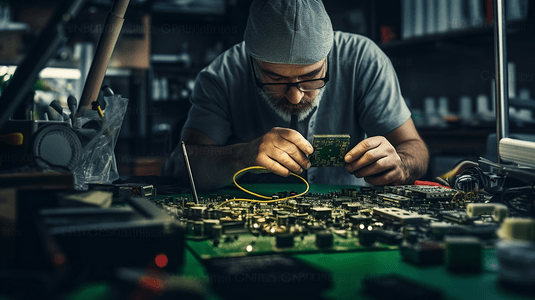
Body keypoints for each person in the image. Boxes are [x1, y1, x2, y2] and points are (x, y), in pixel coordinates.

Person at [163, 0, 429, 191]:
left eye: (312, 77)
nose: (294, 97)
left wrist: (402, 166)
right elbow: (181, 164)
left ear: (328, 56)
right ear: (252, 60)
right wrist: (242, 155)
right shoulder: (223, 73)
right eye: (275, 79)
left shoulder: (364, 59)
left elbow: (414, 147)